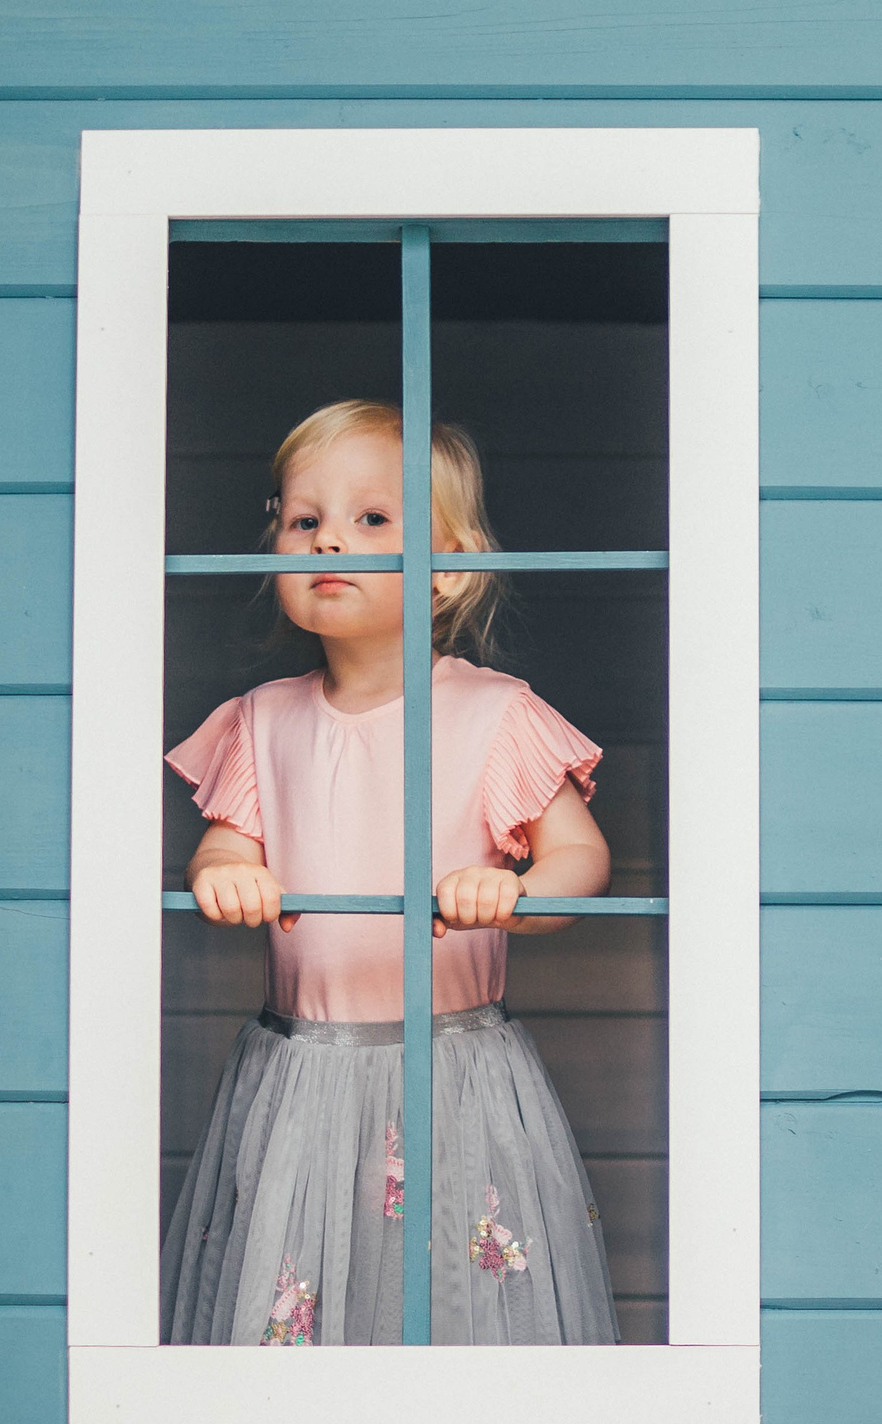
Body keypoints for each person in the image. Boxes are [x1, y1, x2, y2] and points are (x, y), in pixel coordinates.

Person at [158, 399, 620, 1347]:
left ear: (447, 570)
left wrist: (518, 894)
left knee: (461, 1304)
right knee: (295, 1279)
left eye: (372, 521)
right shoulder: (261, 717)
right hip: (303, 1071)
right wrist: (221, 870)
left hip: (452, 1067)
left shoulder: (494, 713)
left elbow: (582, 856)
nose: (330, 543)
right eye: (304, 520)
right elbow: (229, 844)